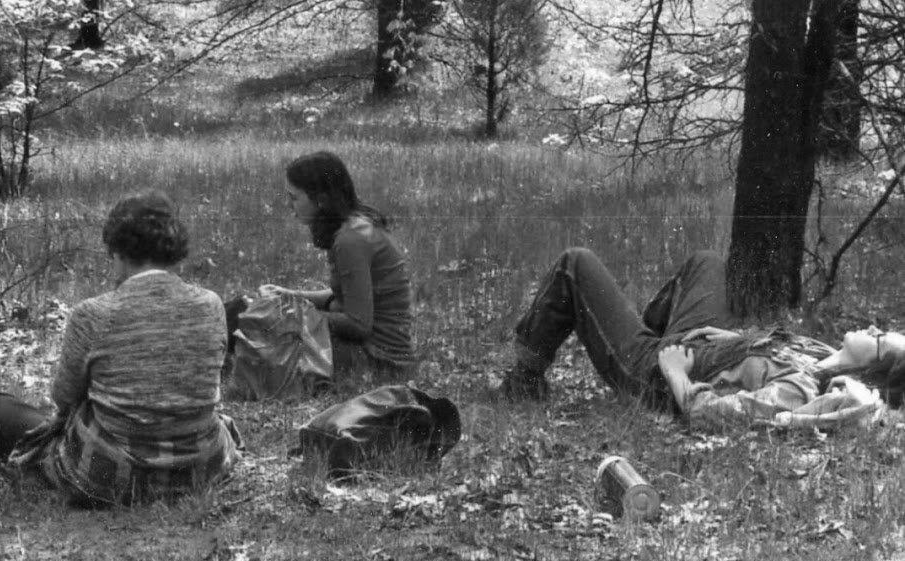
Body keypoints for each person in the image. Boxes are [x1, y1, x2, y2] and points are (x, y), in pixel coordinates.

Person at [0, 190, 241, 506]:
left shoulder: (94, 313)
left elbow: (65, 398)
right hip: (200, 467)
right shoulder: (211, 305)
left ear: (119, 254)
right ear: (176, 253)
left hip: (111, 473)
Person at [496, 246, 901, 428]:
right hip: (703, 342)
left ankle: (524, 379)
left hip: (659, 376)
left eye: (880, 339)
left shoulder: (799, 389)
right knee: (706, 262)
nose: (872, 329)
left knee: (575, 264)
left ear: (872, 371)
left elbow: (712, 415)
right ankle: (635, 336)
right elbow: (767, 351)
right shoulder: (822, 353)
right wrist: (737, 338)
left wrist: (674, 373)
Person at [257, 151, 414, 378]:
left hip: (376, 359)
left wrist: (294, 315)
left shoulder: (351, 240)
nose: (290, 205)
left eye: (294, 198)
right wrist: (289, 296)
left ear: (320, 199)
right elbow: (346, 297)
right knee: (252, 312)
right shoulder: (354, 228)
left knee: (260, 328)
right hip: (373, 350)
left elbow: (358, 324)